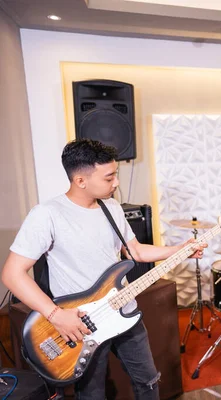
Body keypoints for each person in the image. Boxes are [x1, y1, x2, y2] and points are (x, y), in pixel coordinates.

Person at [1, 139, 206, 400]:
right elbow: (12, 274)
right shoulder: (47, 215)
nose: (116, 183)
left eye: (116, 175)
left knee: (149, 381)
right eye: (109, 177)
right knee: (92, 394)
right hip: (81, 324)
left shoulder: (112, 207)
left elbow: (136, 251)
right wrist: (56, 315)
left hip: (124, 310)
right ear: (80, 181)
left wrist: (180, 248)